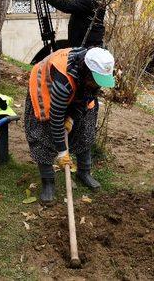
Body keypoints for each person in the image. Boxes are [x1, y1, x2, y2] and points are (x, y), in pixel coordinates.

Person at [25, 47, 115, 204]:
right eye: (94, 80)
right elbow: (56, 116)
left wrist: (72, 118)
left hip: (74, 89)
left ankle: (84, 172)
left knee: (85, 128)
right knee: (44, 133)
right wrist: (62, 151)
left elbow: (87, 97)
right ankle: (48, 182)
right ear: (86, 71)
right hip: (46, 89)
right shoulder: (64, 79)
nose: (97, 84)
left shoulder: (93, 77)